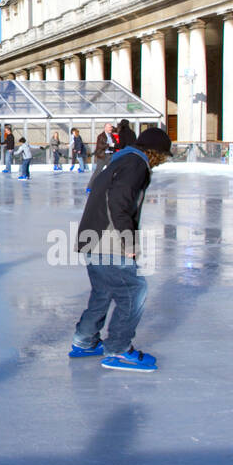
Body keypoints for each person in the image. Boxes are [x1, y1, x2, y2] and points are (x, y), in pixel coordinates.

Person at [68, 127, 172, 371]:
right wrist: (129, 241)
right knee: (134, 290)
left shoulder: (119, 159)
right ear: (154, 153)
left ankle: (84, 341)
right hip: (109, 238)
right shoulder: (136, 164)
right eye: (163, 156)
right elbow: (119, 201)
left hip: (92, 236)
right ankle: (118, 349)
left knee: (103, 290)